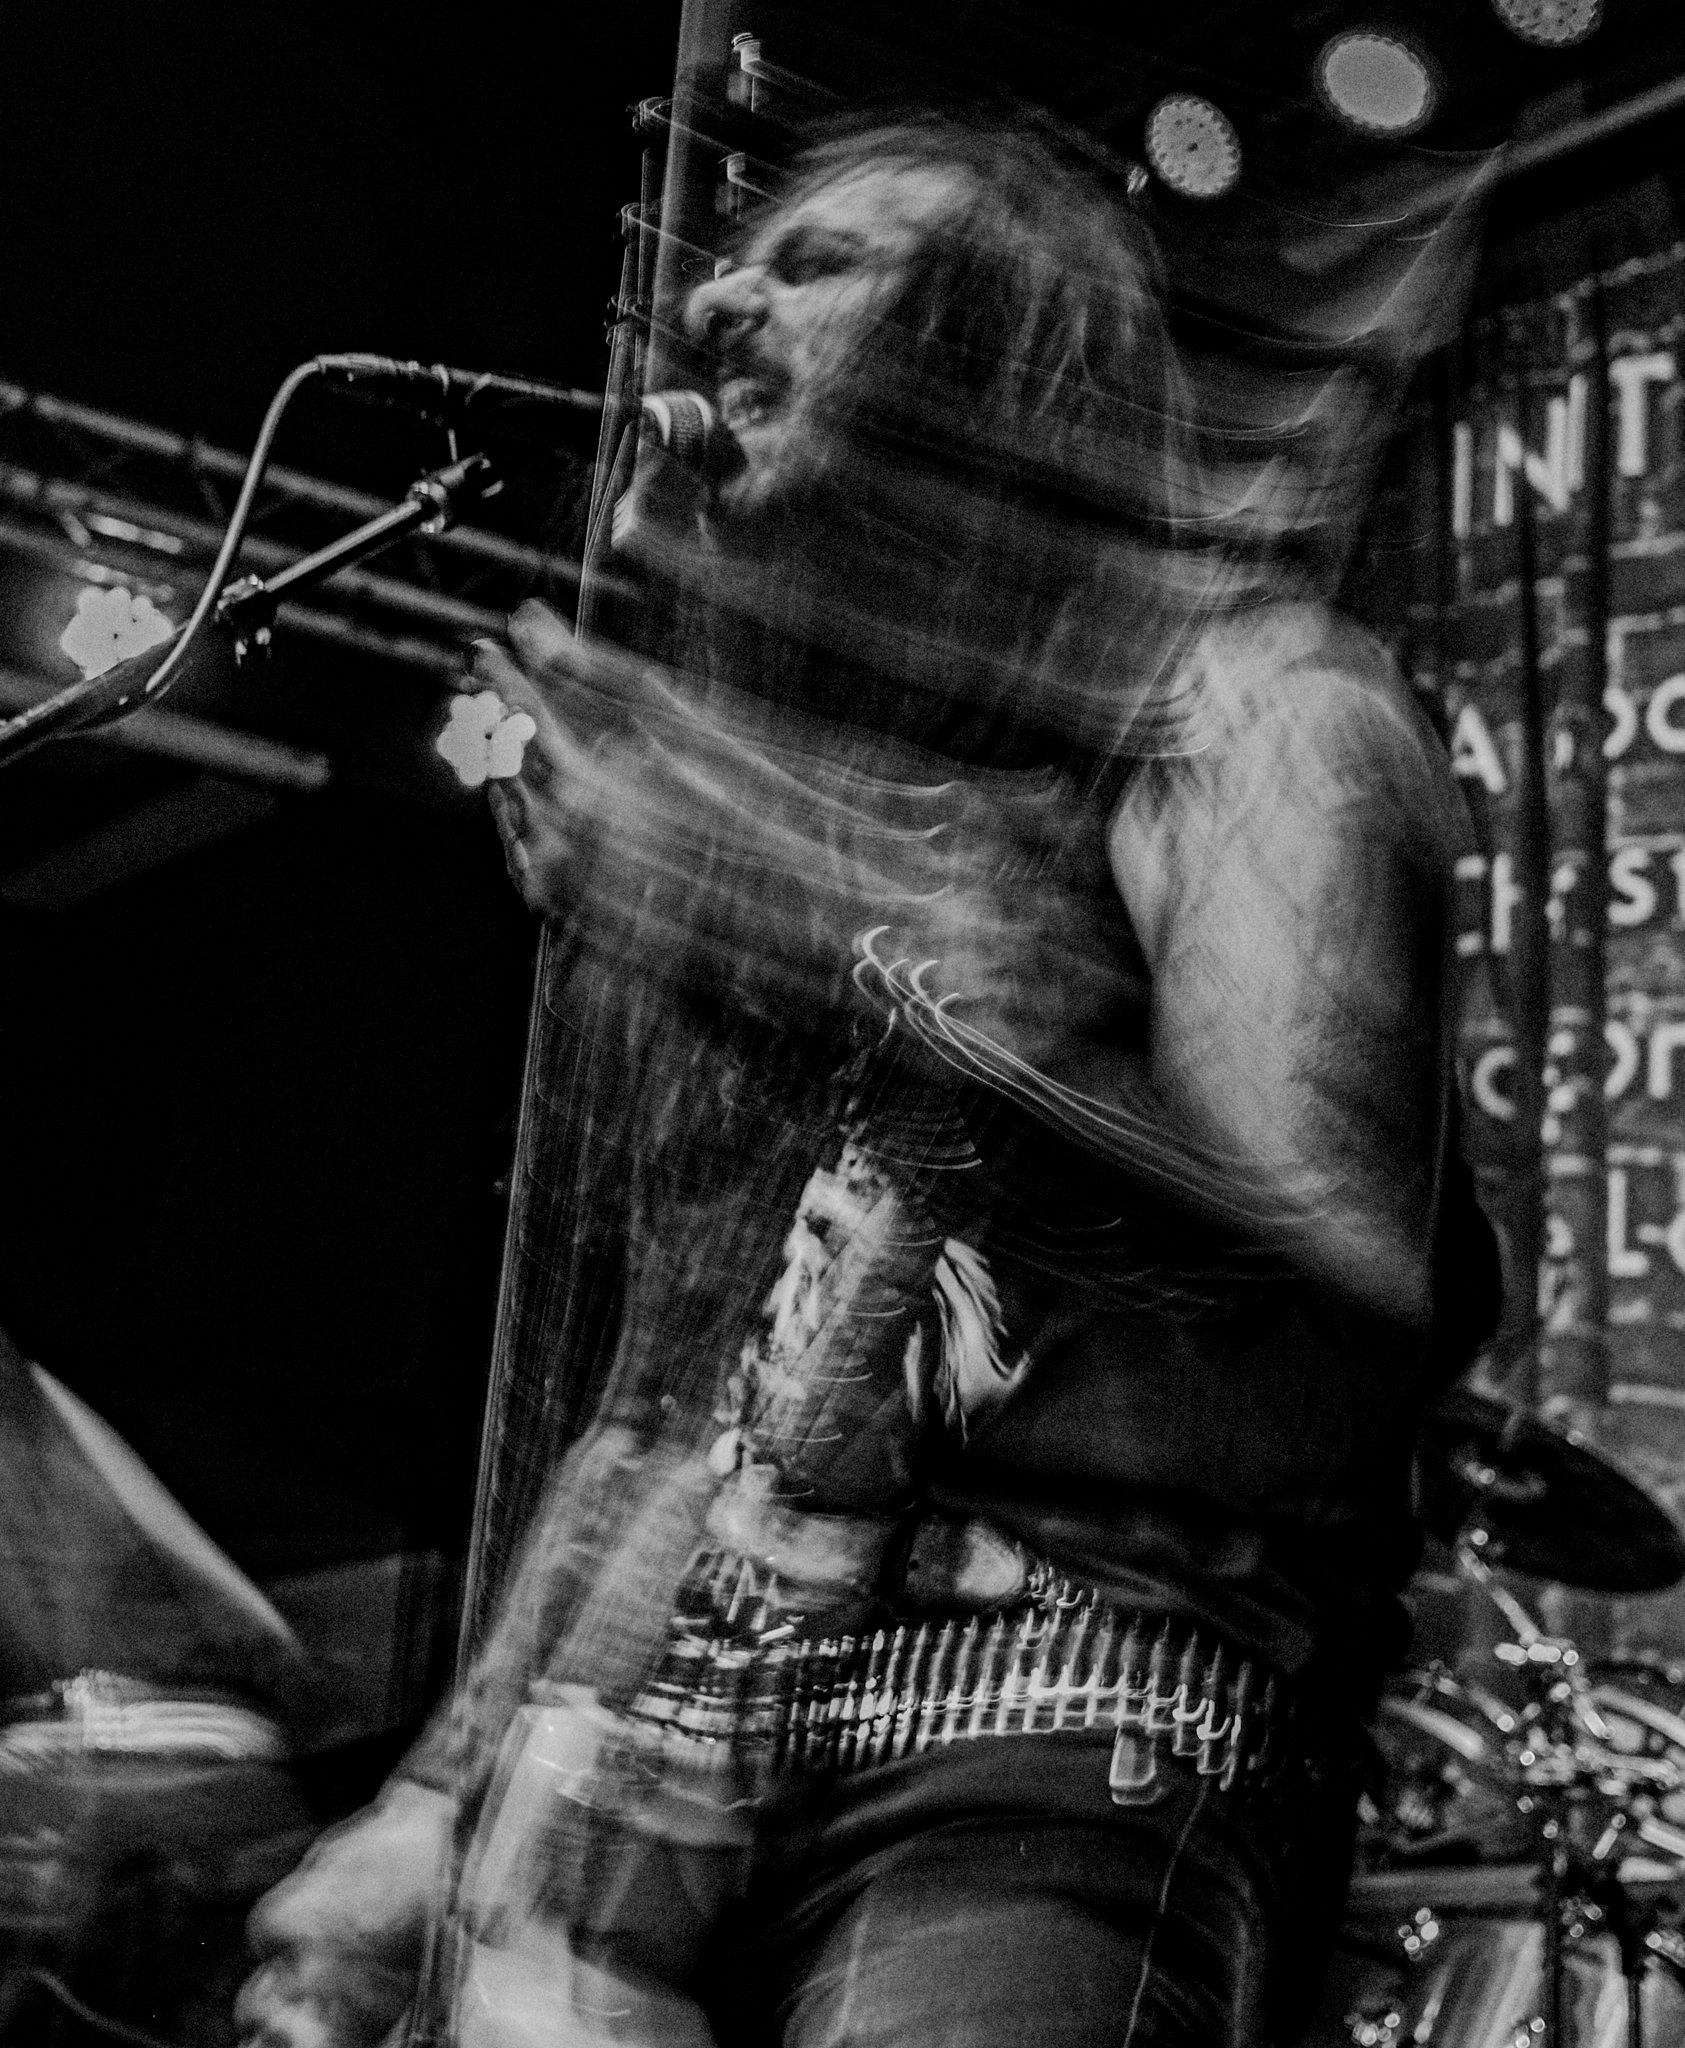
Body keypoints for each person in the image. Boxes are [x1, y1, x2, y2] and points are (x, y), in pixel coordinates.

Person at [236, 112, 1497, 2048]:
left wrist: (814, 911)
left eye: (826, 264)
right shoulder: (825, 810)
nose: (721, 294)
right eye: (740, 263)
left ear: (1011, 369)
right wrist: (431, 1797)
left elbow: (1333, 1277)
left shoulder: (1259, 707)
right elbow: (671, 1403)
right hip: (682, 1769)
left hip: (1061, 1728)